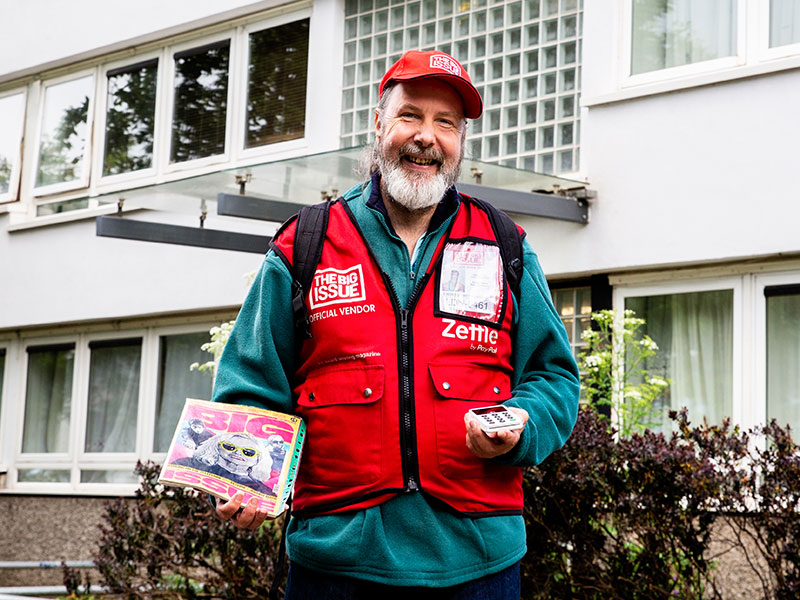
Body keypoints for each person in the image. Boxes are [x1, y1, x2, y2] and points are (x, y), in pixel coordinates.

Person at [211, 49, 580, 599]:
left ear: (459, 142)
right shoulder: (304, 244)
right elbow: (251, 383)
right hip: (335, 565)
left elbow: (553, 378)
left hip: (478, 563)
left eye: (445, 123)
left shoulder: (505, 245)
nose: (426, 137)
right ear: (379, 124)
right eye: (410, 115)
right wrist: (244, 478)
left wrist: (522, 423)